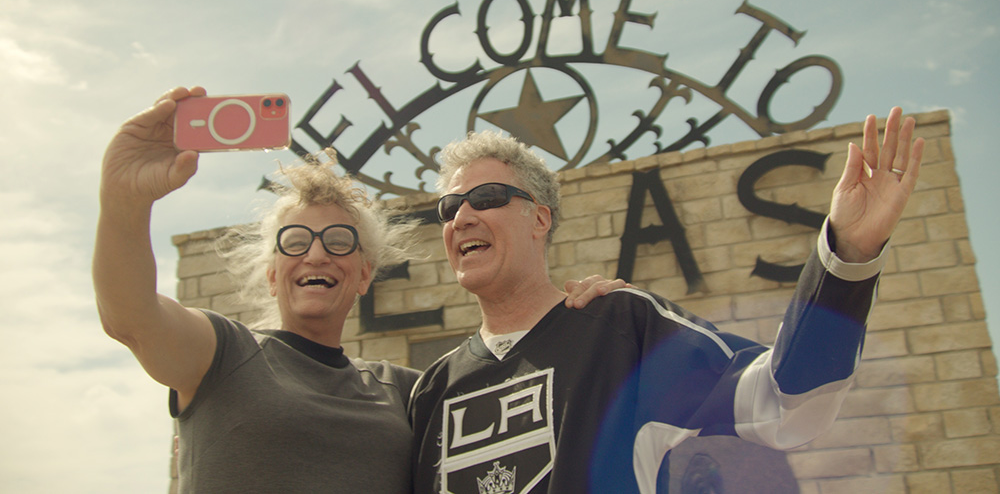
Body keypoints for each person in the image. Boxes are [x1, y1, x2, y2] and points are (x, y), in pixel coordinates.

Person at [92, 86, 622, 492]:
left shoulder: (413, 391)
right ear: (273, 271)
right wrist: (124, 201)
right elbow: (129, 315)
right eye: (295, 241)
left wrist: (582, 311)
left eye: (338, 241)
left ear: (365, 273)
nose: (316, 254)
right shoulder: (222, 354)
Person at [408, 107, 925, 493]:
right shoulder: (432, 390)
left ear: (540, 219)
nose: (462, 217)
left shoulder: (623, 330)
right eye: (449, 207)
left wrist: (848, 256)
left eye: (487, 198)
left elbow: (784, 404)